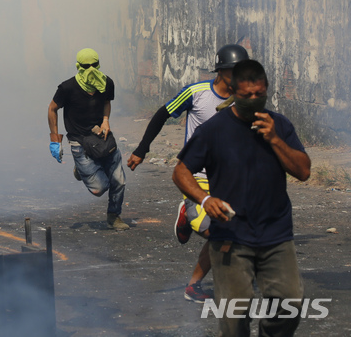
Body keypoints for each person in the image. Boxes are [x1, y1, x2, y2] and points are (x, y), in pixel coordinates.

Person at [172, 60, 310, 336]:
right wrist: (203, 200)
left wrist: (274, 139)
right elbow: (181, 171)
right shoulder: (214, 130)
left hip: (276, 233)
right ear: (233, 91)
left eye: (259, 94)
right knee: (234, 319)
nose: (253, 100)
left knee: (290, 304)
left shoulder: (279, 126)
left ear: (267, 90)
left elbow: (303, 171)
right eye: (246, 96)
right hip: (231, 236)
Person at [127, 44, 249, 302]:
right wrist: (141, 149)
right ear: (220, 71)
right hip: (195, 177)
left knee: (229, 236)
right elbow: (162, 114)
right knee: (213, 232)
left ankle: (193, 287)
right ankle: (186, 213)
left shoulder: (244, 100)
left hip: (226, 180)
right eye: (234, 71)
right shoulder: (196, 93)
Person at [48, 48, 129, 231]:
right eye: (86, 66)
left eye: (94, 65)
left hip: (101, 136)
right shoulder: (67, 88)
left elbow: (107, 102)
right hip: (79, 140)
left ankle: (114, 216)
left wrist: (106, 120)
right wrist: (55, 139)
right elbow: (52, 108)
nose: (91, 69)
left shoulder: (106, 82)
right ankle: (82, 169)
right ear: (78, 66)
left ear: (99, 64)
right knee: (100, 188)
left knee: (119, 180)